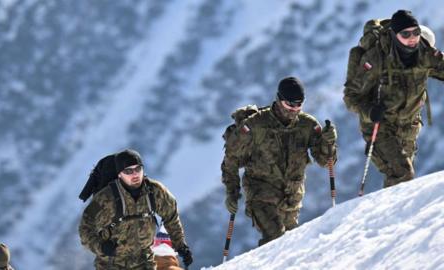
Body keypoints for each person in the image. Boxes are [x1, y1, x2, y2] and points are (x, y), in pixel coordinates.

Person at [221, 76, 338, 246]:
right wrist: (231, 192)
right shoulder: (254, 126)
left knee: (289, 247)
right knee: (275, 238)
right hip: (261, 194)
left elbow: (326, 161)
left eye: (299, 105)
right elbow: (231, 159)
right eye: (290, 105)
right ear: (279, 100)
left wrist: (329, 142)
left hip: (292, 198)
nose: (294, 110)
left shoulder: (307, 125)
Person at [343, 10, 444, 188]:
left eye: (416, 32)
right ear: (394, 35)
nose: (412, 38)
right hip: (380, 126)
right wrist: (369, 111)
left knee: (402, 184)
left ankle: (393, 215)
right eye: (405, 34)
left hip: (409, 127)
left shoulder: (426, 53)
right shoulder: (376, 59)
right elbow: (351, 96)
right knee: (402, 174)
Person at [79, 149, 193, 270]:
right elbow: (85, 228)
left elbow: (171, 216)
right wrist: (100, 247)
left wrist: (180, 246)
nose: (135, 174)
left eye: (138, 169)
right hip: (111, 264)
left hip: (144, 263)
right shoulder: (106, 198)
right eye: (128, 171)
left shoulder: (154, 192)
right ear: (119, 174)